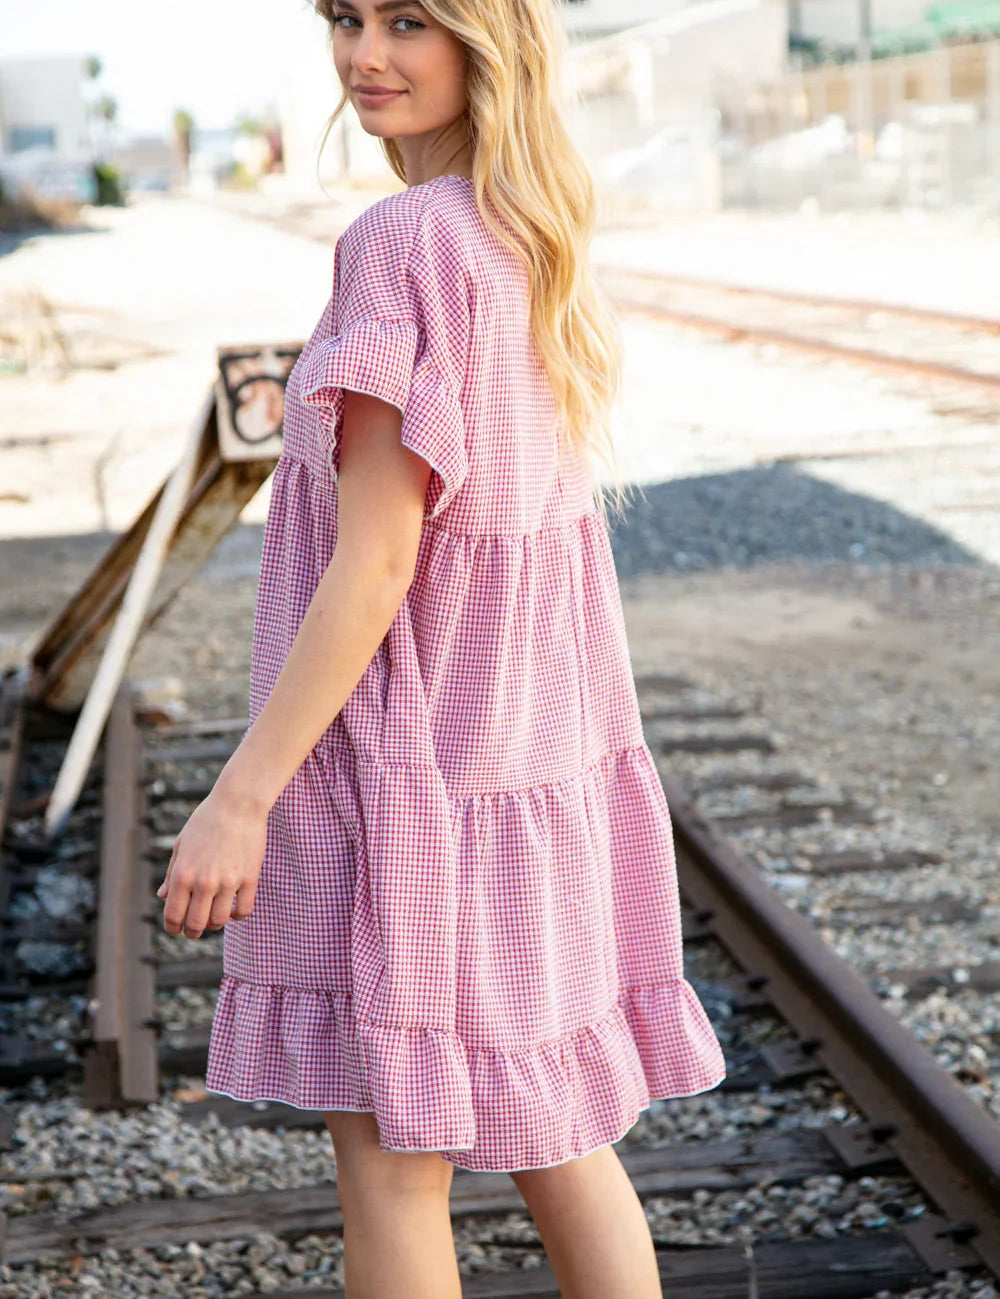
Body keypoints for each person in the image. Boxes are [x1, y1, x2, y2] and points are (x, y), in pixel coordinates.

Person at [155, 0, 727, 1295]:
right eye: (346, 17)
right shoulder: (528, 237)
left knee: (395, 1169)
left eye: (410, 20)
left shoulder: (400, 241)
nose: (366, 56)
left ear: (489, 40)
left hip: (409, 792)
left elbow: (377, 564)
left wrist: (241, 797)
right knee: (561, 1137)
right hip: (530, 780)